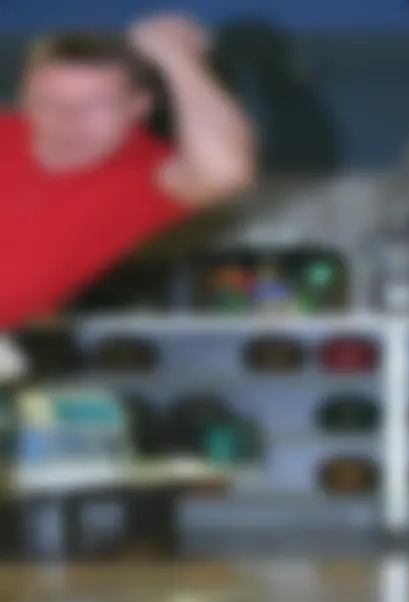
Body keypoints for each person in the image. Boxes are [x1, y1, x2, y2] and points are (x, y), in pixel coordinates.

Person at [1, 15, 256, 368]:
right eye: (48, 102)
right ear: (23, 99)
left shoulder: (144, 174)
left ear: (138, 107)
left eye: (96, 104)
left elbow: (225, 171)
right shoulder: (6, 133)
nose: (68, 120)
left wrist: (177, 59)